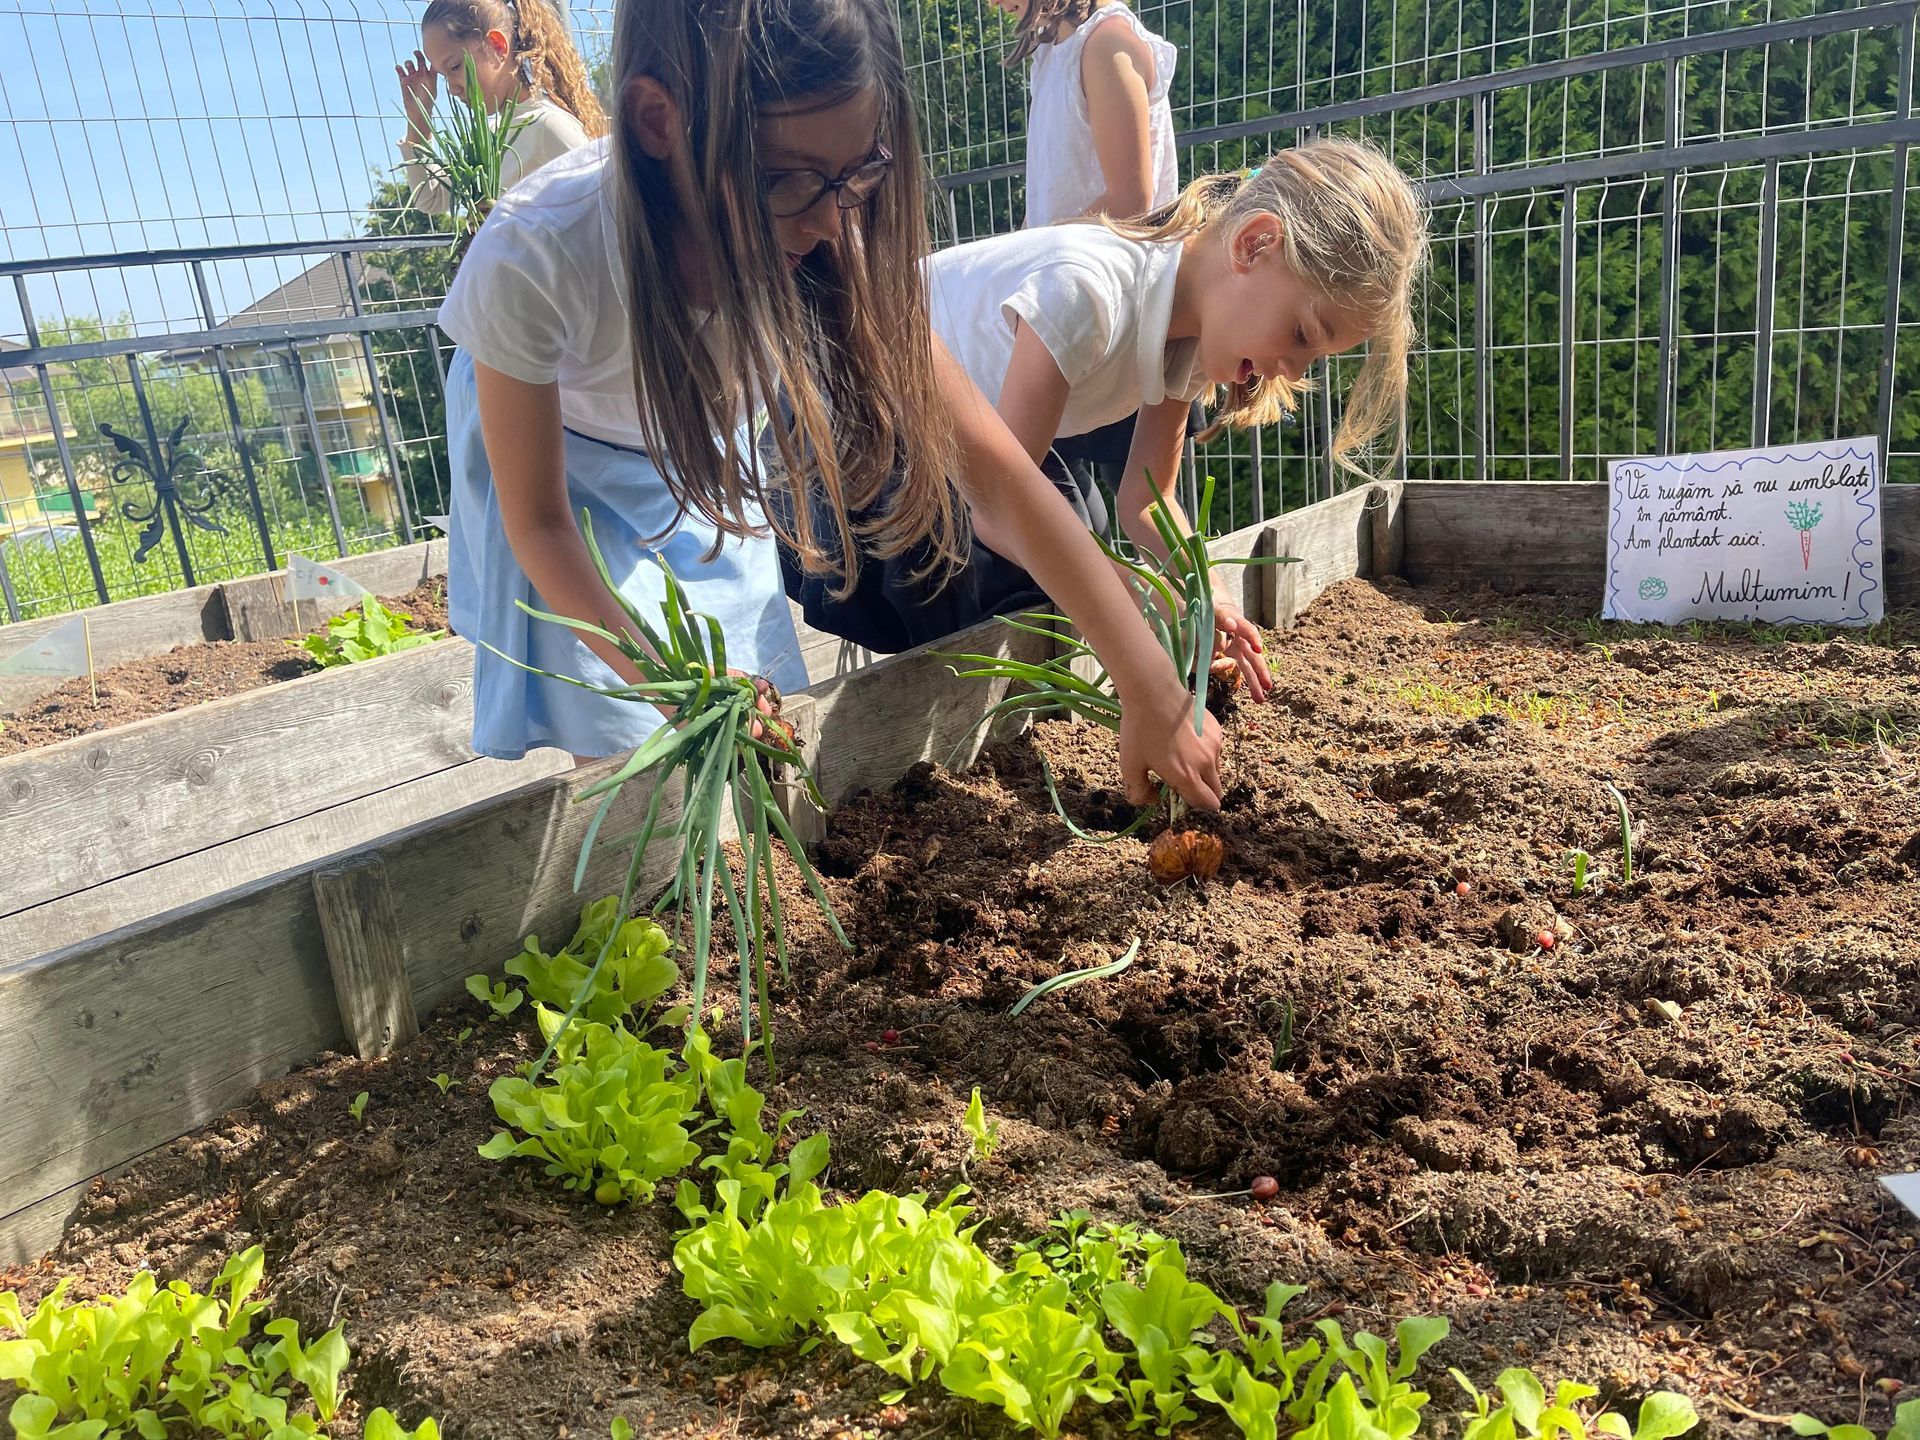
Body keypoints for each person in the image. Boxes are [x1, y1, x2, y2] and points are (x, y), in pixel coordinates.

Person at [437, 0, 1222, 812]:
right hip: (563, 453)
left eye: (856, 174)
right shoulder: (534, 253)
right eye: (790, 179)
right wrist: (675, 684)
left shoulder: (820, 230)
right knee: (622, 720)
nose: (829, 218)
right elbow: (539, 523)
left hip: (694, 431)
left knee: (756, 705)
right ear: (657, 119)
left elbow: (993, 472)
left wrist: (1147, 680)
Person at [787, 139, 1428, 697]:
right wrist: (1135, 599)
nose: (1291, 369)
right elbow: (999, 513)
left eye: (1315, 354)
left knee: (1074, 542)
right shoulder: (1088, 293)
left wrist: (1208, 597)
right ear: (1255, 243)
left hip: (967, 444)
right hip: (847, 426)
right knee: (986, 581)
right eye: (1300, 333)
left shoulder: (1195, 345)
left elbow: (1148, 503)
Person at [995, 0, 1185, 520]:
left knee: (1142, 502)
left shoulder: (1107, 42)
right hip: (1064, 314)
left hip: (1120, 318)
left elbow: (1130, 202)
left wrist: (1029, 251)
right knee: (1069, 510)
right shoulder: (1052, 49)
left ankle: (1177, 600)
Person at [396, 0, 607, 216]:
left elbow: (606, 216)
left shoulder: (547, 125)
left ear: (497, 46)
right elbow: (430, 199)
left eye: (455, 67)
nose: (451, 88)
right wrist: (419, 116)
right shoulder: (491, 136)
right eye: (443, 76)